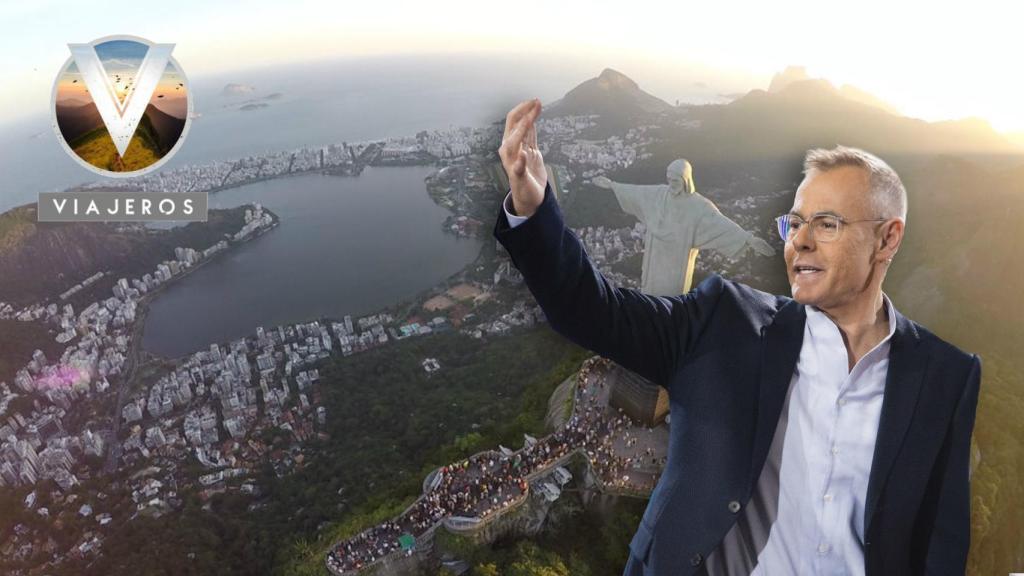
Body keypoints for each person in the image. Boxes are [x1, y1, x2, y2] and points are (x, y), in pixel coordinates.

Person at [493, 98, 981, 575]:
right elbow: (590, 310)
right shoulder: (723, 322)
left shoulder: (945, 377)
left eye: (827, 223)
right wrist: (534, 211)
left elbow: (939, 543)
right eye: (795, 223)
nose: (800, 241)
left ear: (888, 238)